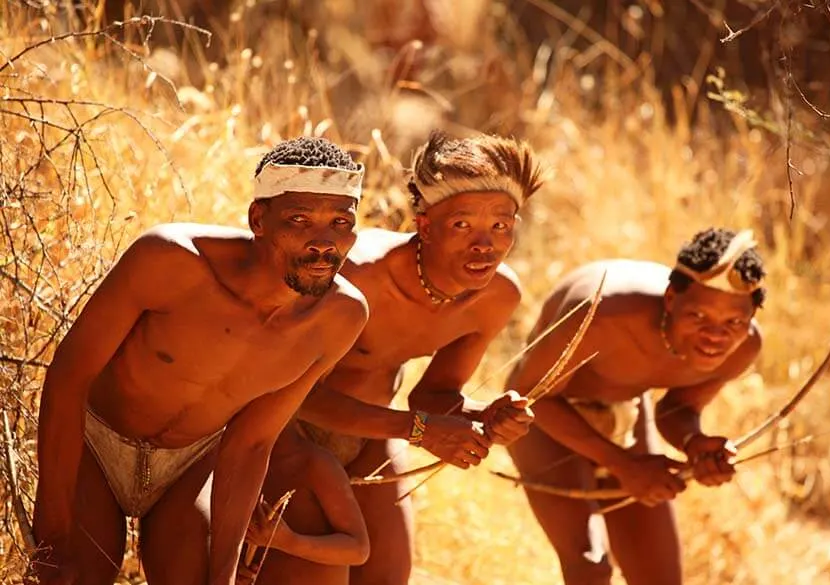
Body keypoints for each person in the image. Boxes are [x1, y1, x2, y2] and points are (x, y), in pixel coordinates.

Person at [31, 136, 370, 585]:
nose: (323, 243)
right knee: (72, 577)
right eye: (300, 220)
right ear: (258, 219)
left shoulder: (341, 317)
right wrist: (54, 535)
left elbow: (251, 443)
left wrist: (224, 575)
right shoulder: (171, 260)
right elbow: (69, 376)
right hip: (95, 444)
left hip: (188, 466)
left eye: (340, 222)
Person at [273, 130, 545, 585]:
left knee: (387, 577)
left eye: (501, 225)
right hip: (289, 435)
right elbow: (287, 394)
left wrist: (483, 417)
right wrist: (418, 431)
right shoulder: (357, 274)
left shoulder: (497, 296)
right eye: (462, 226)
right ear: (424, 224)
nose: (485, 245)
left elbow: (434, 396)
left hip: (374, 442)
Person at [505, 228, 766, 585]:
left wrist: (694, 444)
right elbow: (528, 396)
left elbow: (678, 409)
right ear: (671, 299)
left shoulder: (744, 346)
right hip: (542, 414)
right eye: (699, 317)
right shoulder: (603, 314)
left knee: (659, 578)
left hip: (625, 408)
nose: (716, 336)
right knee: (590, 568)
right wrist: (623, 465)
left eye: (734, 322)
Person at [237, 425, 370, 585]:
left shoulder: (315, 465)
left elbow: (358, 549)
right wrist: (236, 571)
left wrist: (289, 541)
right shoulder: (237, 464)